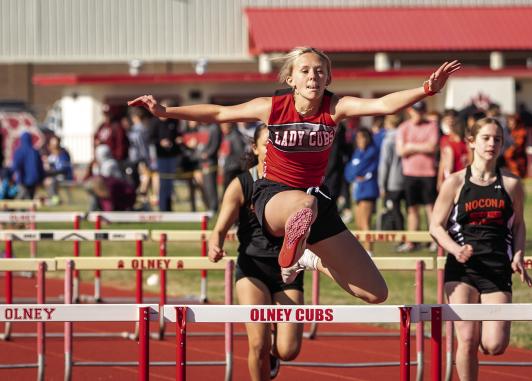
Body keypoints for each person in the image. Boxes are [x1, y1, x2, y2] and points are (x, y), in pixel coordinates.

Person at [130, 46, 460, 303]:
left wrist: (426, 89)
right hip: (273, 196)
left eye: (320, 71)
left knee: (375, 292)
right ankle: (297, 242)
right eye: (305, 71)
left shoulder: (336, 106)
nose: (313, 76)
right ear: (292, 79)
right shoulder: (271, 107)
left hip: (317, 201)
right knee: (303, 205)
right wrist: (165, 112)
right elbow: (218, 113)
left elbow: (384, 105)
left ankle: (308, 259)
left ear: (328, 79)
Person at [429, 117, 532, 381]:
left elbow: (519, 226)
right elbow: (435, 226)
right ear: (472, 142)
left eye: (497, 139)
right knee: (466, 339)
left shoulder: (512, 184)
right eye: (486, 138)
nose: (492, 144)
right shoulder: (454, 182)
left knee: (494, 345)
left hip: (497, 268)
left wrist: (519, 254)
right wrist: (455, 249)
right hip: (462, 270)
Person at [208, 124, 308, 380]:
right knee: (258, 344)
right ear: (255, 148)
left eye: (278, 145)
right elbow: (219, 228)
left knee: (289, 350)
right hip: (252, 267)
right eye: (267, 145)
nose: (273, 150)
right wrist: (215, 244)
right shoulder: (242, 184)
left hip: (288, 271)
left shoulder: (298, 182)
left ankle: (275, 352)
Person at [396, 100, 439, 252]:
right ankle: (411, 242)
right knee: (411, 209)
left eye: (421, 110)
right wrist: (421, 147)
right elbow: (401, 150)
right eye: (416, 110)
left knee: (431, 208)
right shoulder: (403, 127)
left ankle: (435, 241)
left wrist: (410, 146)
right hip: (410, 174)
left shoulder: (432, 125)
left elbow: (432, 147)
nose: (418, 113)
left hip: (428, 173)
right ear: (410, 111)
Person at [344, 127, 379, 238]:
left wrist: (356, 171)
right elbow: (349, 171)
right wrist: (354, 175)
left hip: (368, 189)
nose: (361, 140)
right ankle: (364, 251)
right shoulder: (357, 152)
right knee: (359, 224)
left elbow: (360, 169)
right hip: (357, 190)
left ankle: (369, 251)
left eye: (363, 137)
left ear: (369, 139)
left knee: (365, 223)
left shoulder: (373, 151)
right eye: (358, 138)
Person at [149, 99, 183, 212]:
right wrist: (160, 142)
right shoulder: (154, 122)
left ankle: (169, 208)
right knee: (163, 183)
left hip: (172, 156)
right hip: (161, 157)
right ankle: (162, 208)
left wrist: (178, 140)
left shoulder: (173, 122)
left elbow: (178, 135)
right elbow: (150, 139)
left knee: (170, 184)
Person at [377, 114, 405, 236]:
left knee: (395, 210)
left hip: (393, 181)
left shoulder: (388, 140)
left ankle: (400, 237)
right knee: (410, 210)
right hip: (407, 176)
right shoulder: (405, 136)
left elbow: (385, 164)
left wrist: (382, 185)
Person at [11, 131, 44, 199]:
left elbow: (16, 165)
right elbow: (40, 167)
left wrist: (12, 175)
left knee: (21, 196)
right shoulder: (35, 151)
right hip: (34, 179)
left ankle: (16, 208)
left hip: (22, 179)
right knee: (30, 197)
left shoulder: (19, 151)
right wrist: (41, 178)